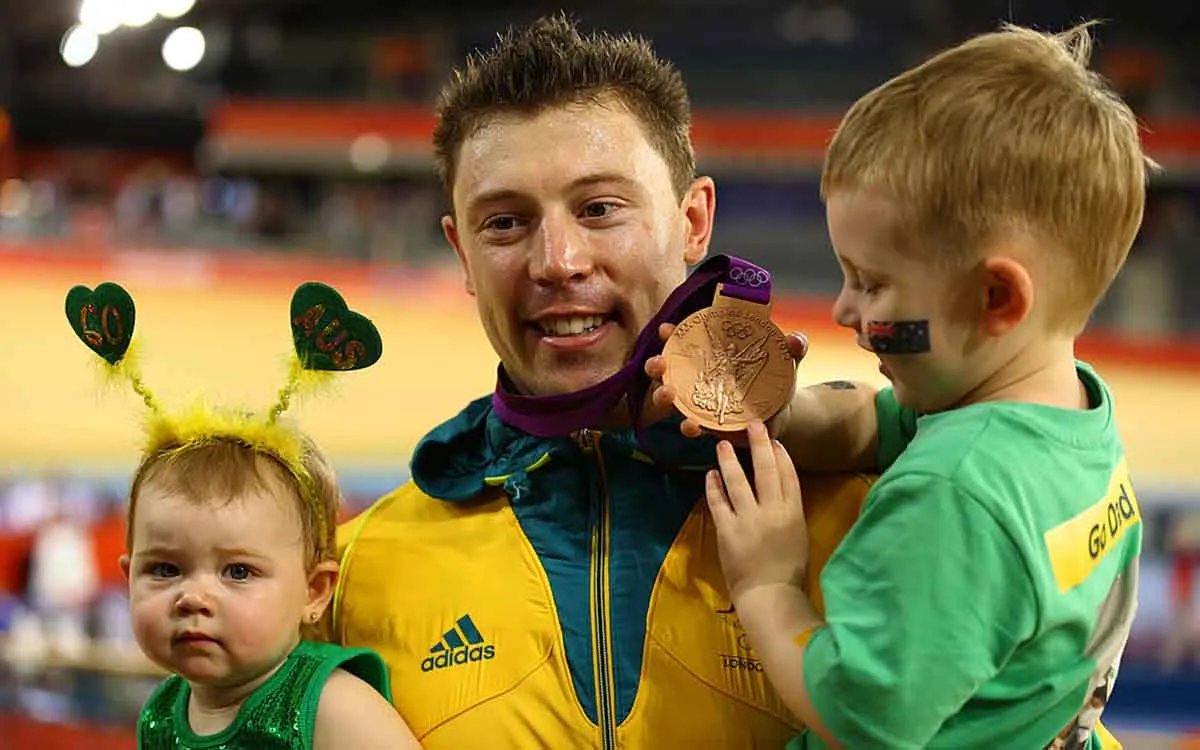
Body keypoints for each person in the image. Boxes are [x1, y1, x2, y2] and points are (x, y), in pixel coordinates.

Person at [330, 13, 874, 748]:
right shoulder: (358, 571)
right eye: (504, 223)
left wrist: (814, 423)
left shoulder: (873, 517)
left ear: (693, 222)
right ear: (461, 250)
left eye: (599, 209)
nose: (557, 260)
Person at [693, 21, 1147, 750]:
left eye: (872, 285)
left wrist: (767, 585)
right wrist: (774, 417)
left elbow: (859, 715)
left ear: (997, 299)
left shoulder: (957, 493)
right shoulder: (1066, 412)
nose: (844, 310)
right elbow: (882, 423)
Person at [64, 280, 420, 749]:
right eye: (165, 569)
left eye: (238, 571)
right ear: (128, 578)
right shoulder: (160, 714)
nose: (193, 597)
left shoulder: (332, 707)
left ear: (313, 591)